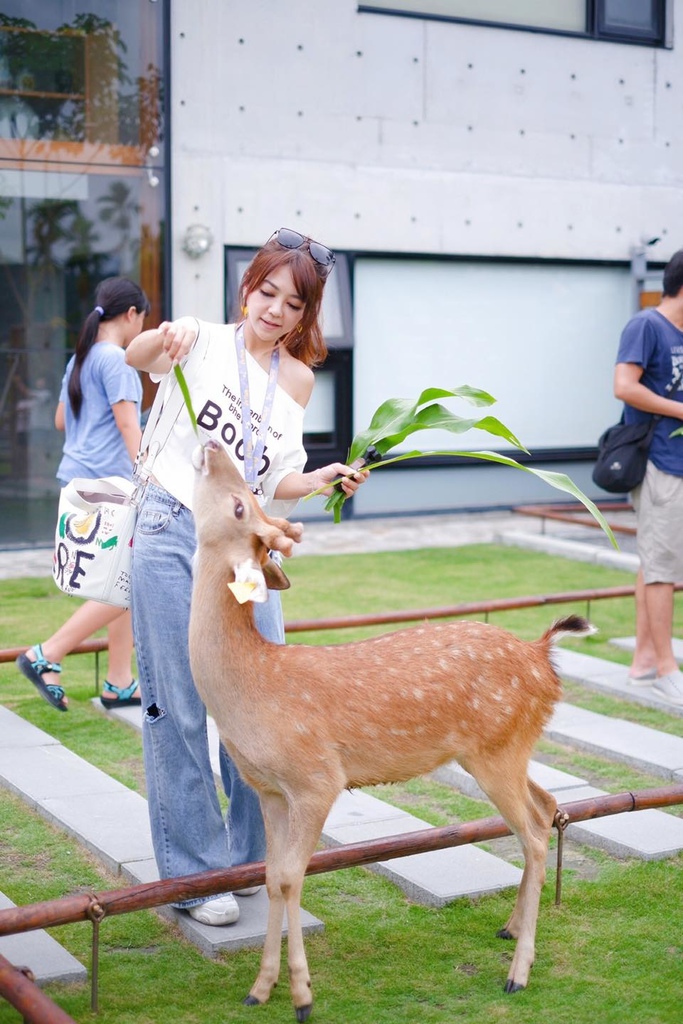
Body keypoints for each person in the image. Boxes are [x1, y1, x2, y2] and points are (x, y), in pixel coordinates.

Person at [125, 228, 368, 927]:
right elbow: (135, 358)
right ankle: (194, 877)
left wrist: (319, 476)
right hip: (173, 531)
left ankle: (242, 858)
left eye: (293, 304)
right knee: (177, 700)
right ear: (247, 289)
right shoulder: (198, 337)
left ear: (305, 315)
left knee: (258, 694)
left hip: (244, 551)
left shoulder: (294, 378)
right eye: (267, 293)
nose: (275, 311)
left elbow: (275, 474)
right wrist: (159, 342)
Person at [16, 277, 150, 713]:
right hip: (109, 486)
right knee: (125, 585)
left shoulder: (81, 358)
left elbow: (61, 420)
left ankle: (118, 682)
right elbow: (129, 425)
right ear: (131, 315)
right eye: (142, 319)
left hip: (77, 482)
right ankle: (47, 654)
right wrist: (149, 476)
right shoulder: (118, 360)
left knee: (123, 580)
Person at [614, 248, 683, 705]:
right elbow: (624, 385)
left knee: (654, 561)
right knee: (661, 570)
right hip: (660, 462)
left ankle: (642, 660)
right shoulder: (647, 325)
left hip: (677, 462)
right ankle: (665, 668)